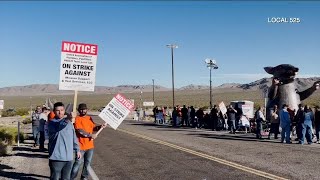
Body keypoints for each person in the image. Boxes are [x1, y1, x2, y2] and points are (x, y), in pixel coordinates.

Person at [71, 103, 106, 180]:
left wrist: (100, 127)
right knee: (77, 163)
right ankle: (72, 178)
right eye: (81, 109)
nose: (83, 110)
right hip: (80, 147)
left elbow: (93, 128)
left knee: (87, 164)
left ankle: (84, 177)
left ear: (87, 109)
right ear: (78, 110)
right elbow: (80, 131)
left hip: (90, 146)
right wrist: (90, 135)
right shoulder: (77, 119)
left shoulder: (89, 118)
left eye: (84, 109)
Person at [48, 102, 81, 180]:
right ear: (54, 111)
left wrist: (78, 150)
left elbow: (74, 137)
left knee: (66, 178)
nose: (60, 112)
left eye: (62, 110)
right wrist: (67, 118)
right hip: (56, 157)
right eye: (57, 110)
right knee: (54, 178)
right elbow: (60, 126)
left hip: (68, 157)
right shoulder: (52, 123)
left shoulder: (69, 123)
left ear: (64, 110)